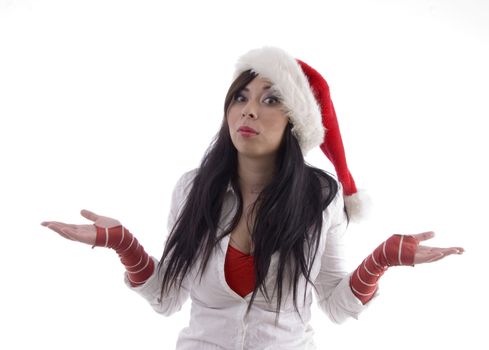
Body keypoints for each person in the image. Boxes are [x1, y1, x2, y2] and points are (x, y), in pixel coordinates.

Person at [41, 46, 464, 350]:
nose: (248, 110)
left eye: (271, 100)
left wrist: (383, 259)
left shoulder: (320, 197)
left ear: (296, 121)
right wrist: (121, 243)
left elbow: (335, 304)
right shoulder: (192, 188)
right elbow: (165, 297)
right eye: (240, 97)